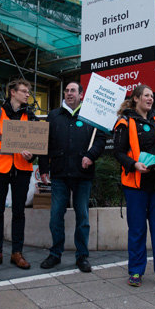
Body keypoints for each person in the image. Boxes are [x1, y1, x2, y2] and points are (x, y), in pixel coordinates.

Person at [113, 85, 155, 290]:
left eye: (152, 96)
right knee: (137, 230)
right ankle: (135, 271)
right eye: (146, 95)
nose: (150, 99)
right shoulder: (124, 122)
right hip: (136, 184)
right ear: (135, 99)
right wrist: (134, 165)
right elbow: (118, 152)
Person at [39, 82, 106, 272]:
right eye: (66, 91)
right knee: (55, 216)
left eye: (73, 91)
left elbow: (100, 139)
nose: (69, 94)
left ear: (81, 95)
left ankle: (82, 256)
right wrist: (44, 168)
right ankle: (55, 254)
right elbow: (44, 142)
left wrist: (91, 156)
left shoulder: (91, 115)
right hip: (59, 174)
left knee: (82, 217)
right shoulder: (54, 115)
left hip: (82, 174)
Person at [0, 78, 38, 270]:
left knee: (19, 211)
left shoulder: (31, 117)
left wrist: (32, 156)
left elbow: (36, 147)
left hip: (21, 169)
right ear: (12, 92)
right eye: (23, 91)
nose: (27, 94)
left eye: (28, 91)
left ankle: (17, 253)